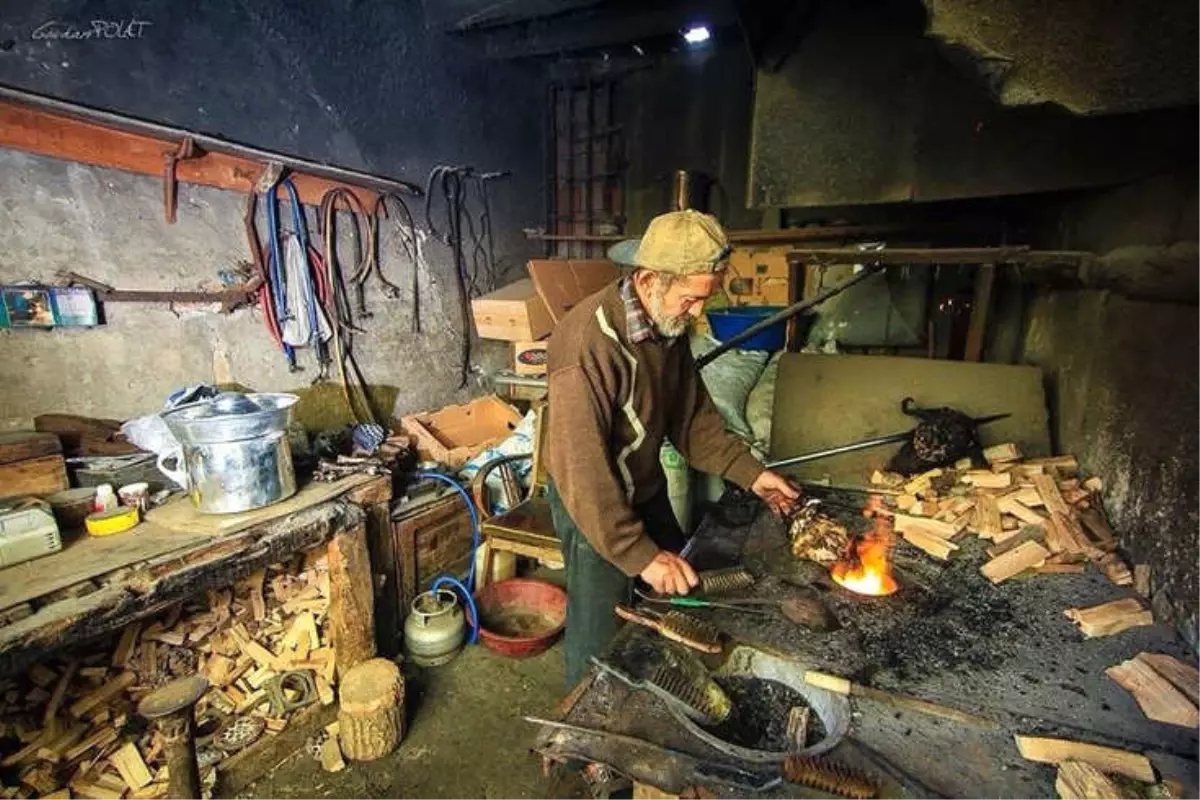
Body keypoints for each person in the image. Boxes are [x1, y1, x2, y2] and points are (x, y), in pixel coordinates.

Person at [545, 209, 800, 686]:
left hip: (642, 488)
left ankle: (658, 685)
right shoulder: (587, 348)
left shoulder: (667, 325)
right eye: (691, 299)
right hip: (593, 504)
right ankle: (584, 747)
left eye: (704, 298)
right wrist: (638, 555)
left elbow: (692, 421)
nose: (698, 312)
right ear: (648, 280)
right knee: (601, 632)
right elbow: (582, 472)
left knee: (681, 589)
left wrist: (752, 473)